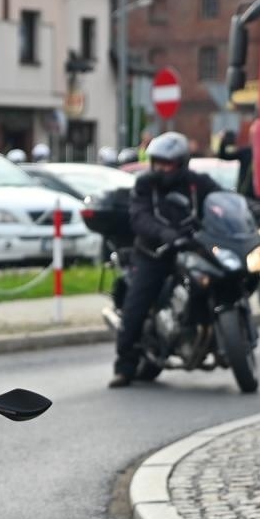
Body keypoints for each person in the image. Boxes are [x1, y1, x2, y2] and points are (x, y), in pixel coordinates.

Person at [110, 131, 219, 388]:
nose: (161, 168)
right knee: (136, 304)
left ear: (181, 163)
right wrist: (163, 233)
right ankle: (124, 366)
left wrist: (250, 208)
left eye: (167, 163)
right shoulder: (145, 184)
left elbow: (221, 199)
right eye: (157, 162)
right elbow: (139, 216)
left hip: (192, 247)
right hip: (154, 252)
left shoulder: (197, 183)